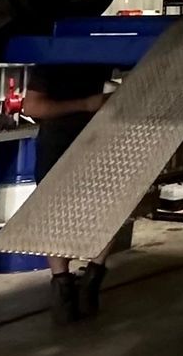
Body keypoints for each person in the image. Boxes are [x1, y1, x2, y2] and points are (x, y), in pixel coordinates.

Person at [21, 65, 114, 325]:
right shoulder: (52, 60)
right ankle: (66, 286)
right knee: (55, 216)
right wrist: (86, 104)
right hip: (59, 144)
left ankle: (88, 280)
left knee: (110, 208)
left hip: (94, 141)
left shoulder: (98, 55)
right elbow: (32, 107)